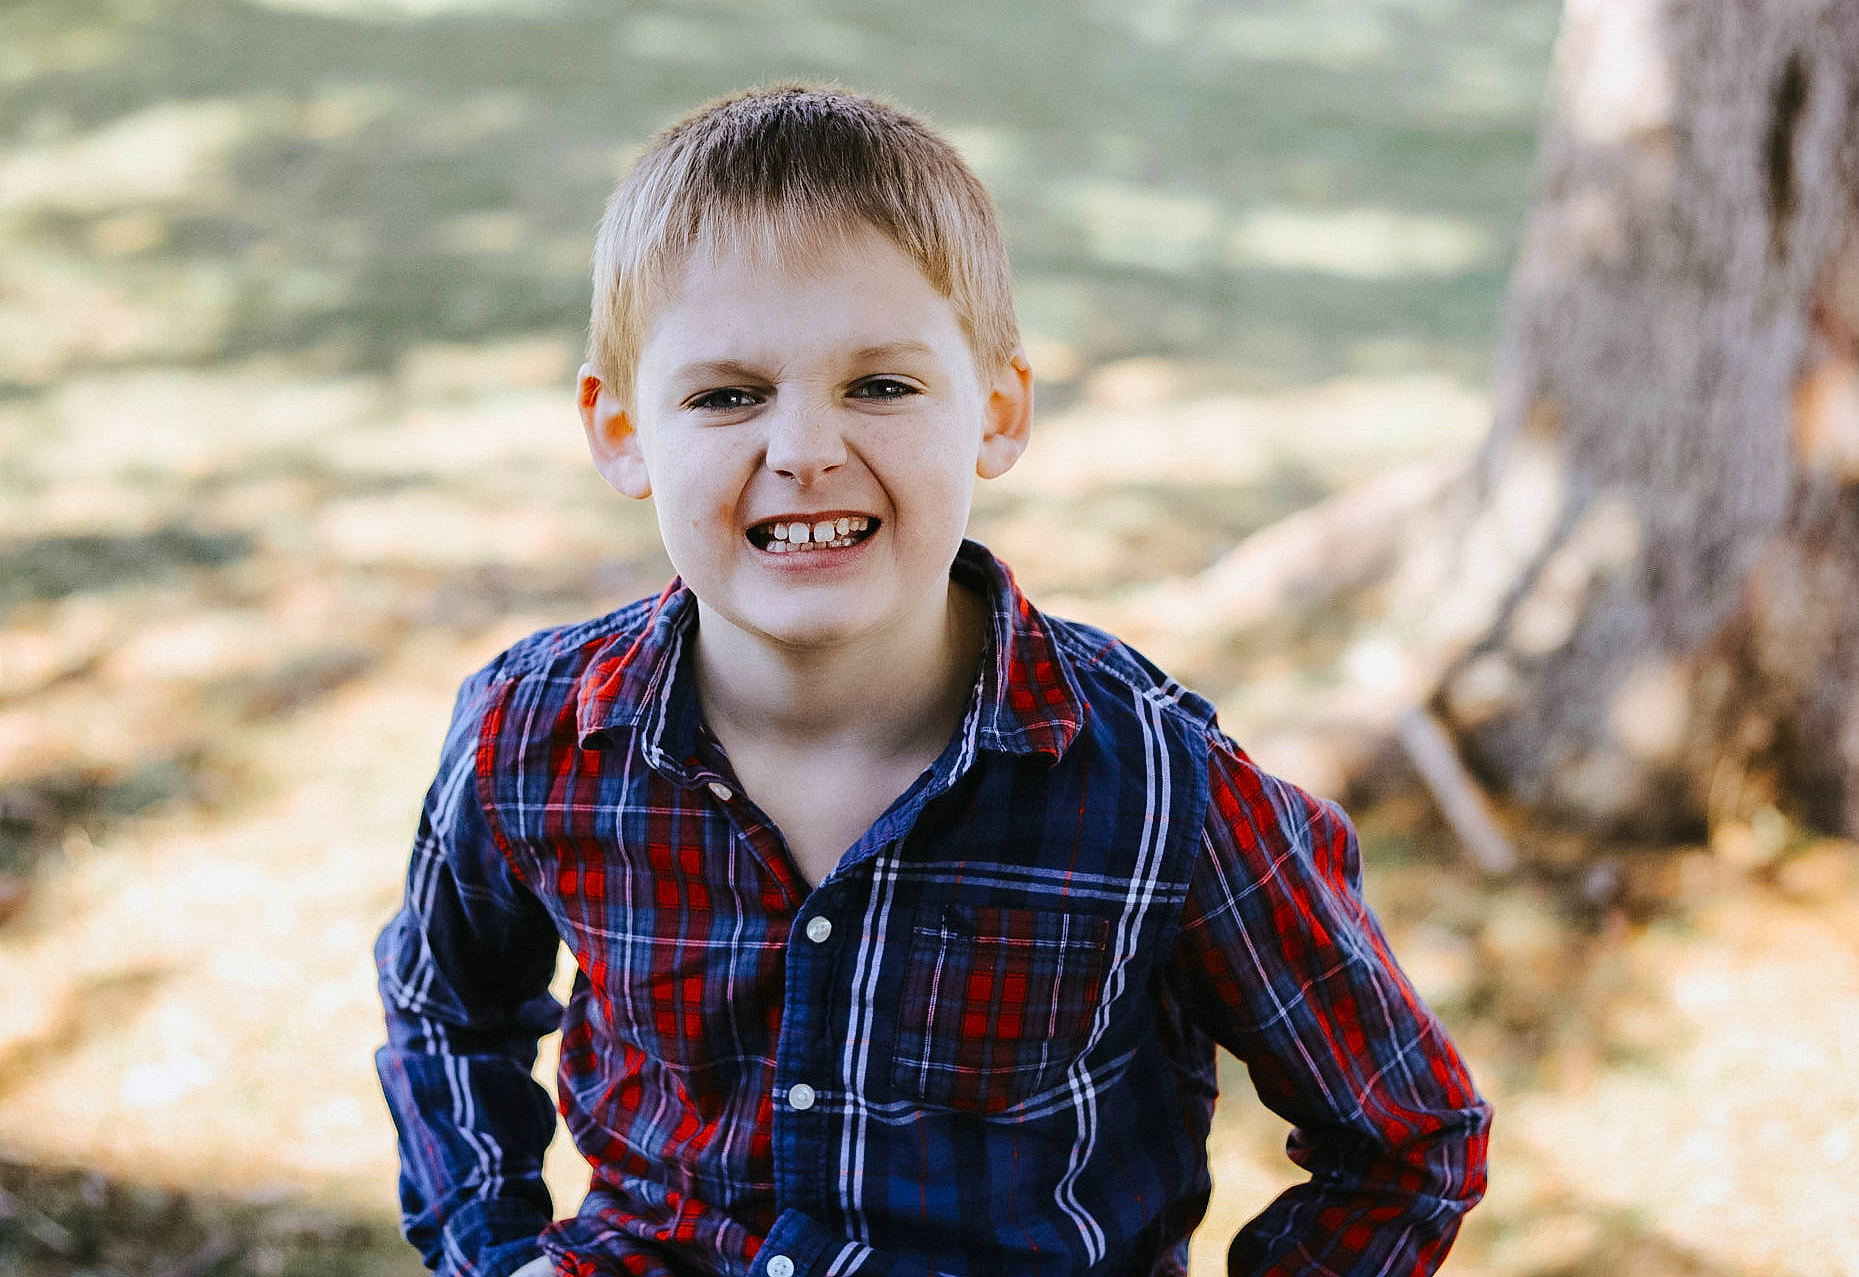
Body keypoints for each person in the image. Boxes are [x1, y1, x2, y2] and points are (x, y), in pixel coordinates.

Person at [374, 83, 1490, 1277]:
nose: (803, 449)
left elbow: (1404, 1138)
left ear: (997, 410)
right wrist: (492, 1250)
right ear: (622, 432)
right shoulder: (532, 735)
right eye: (727, 394)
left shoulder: (1159, 785)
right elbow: (448, 1007)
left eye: (882, 385)